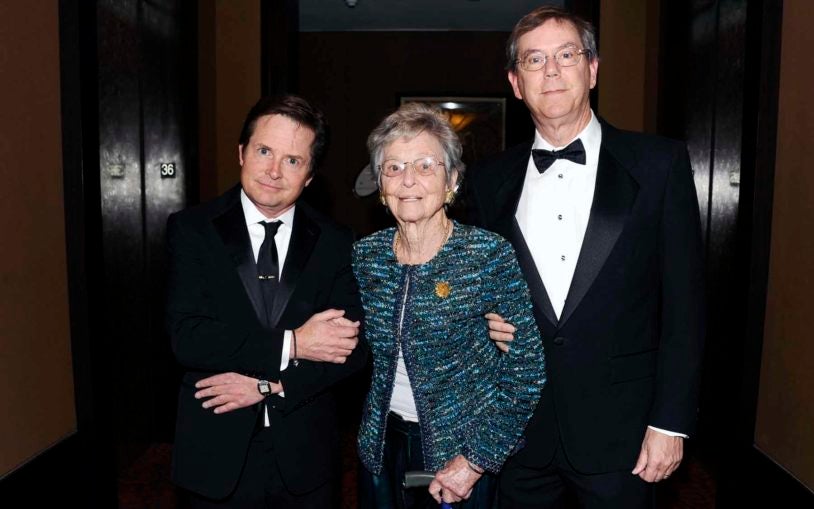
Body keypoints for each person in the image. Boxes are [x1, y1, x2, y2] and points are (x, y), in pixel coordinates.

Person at [466, 6, 705, 508]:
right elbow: (478, 286)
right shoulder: (488, 181)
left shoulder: (658, 165)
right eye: (534, 60)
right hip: (520, 435)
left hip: (624, 437)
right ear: (516, 82)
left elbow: (686, 308)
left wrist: (670, 422)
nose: (551, 71)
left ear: (592, 69)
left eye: (566, 55)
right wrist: (482, 318)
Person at [165, 94, 368, 508]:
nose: (274, 171)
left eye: (293, 160)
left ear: (310, 175)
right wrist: (292, 343)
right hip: (214, 452)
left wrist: (268, 386)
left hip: (305, 458)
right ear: (242, 152)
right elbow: (188, 337)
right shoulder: (191, 230)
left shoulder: (336, 241)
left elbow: (352, 350)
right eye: (264, 151)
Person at [353, 102, 546, 509]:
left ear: (451, 181)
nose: (408, 180)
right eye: (394, 167)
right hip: (380, 449)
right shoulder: (365, 256)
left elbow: (527, 371)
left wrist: (476, 460)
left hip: (461, 453)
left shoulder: (487, 254)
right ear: (381, 186)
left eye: (425, 165)